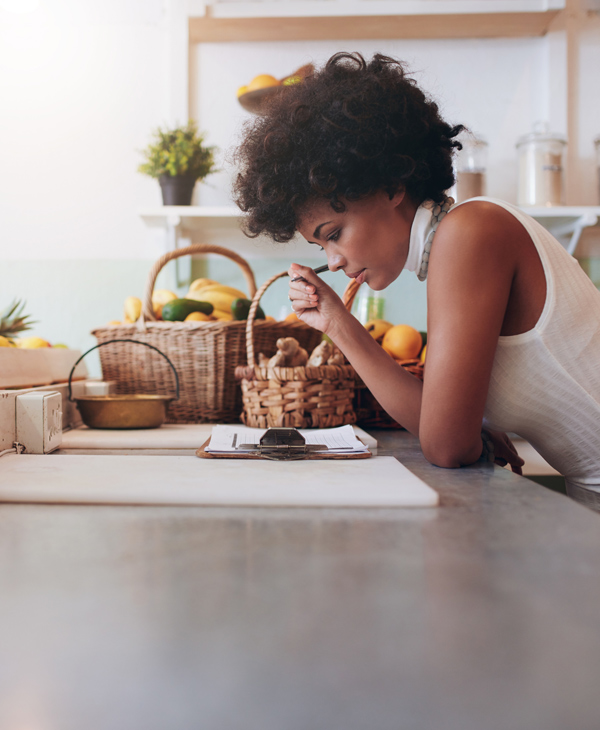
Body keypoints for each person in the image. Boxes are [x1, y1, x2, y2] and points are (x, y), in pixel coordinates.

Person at [233, 52, 600, 505]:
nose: (335, 260)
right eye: (321, 247)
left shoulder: (470, 232)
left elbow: (446, 447)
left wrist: (466, 435)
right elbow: (440, 428)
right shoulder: (457, 241)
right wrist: (336, 323)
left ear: (391, 186)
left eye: (335, 234)